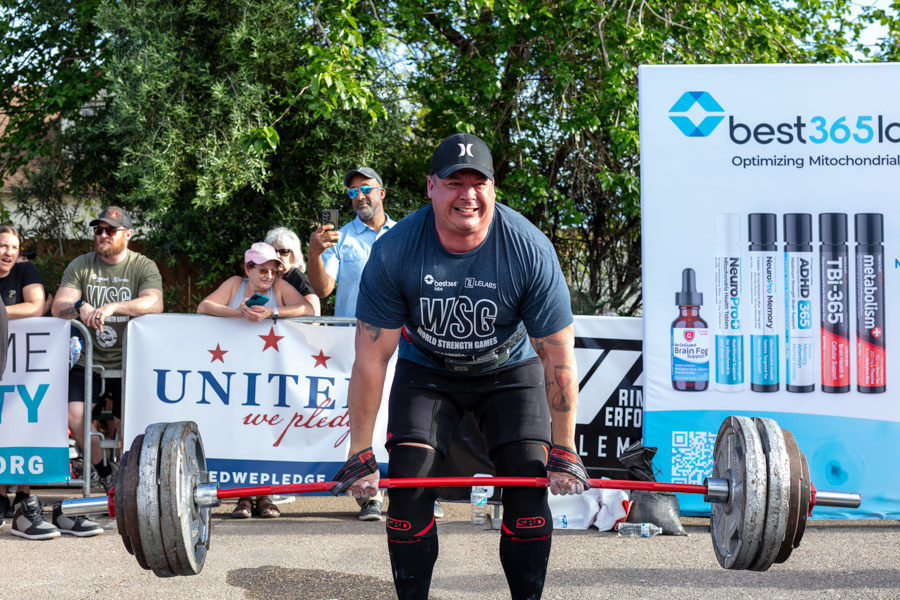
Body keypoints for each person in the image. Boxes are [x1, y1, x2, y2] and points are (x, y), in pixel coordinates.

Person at [329, 133, 588, 600]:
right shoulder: (395, 250)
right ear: (431, 187)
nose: (467, 195)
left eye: (478, 183)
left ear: (493, 188)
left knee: (528, 490)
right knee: (407, 490)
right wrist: (359, 451)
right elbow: (372, 357)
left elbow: (557, 355)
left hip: (508, 372)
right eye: (454, 183)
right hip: (427, 371)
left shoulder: (529, 248)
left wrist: (565, 448)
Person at [52, 206, 164, 509]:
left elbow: (154, 303)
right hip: (87, 359)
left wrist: (114, 307)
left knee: (129, 426)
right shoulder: (82, 264)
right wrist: (80, 306)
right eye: (98, 230)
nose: (102, 235)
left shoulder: (142, 265)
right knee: (75, 415)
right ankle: (105, 472)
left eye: (110, 230)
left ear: (128, 234)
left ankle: (128, 483)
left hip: (130, 362)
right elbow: (58, 306)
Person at [198, 241, 315, 518]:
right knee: (240, 428)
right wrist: (238, 313)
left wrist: (272, 312)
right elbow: (204, 307)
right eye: (262, 270)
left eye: (273, 270)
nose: (269, 276)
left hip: (270, 373)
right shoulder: (235, 284)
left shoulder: (279, 287)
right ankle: (244, 496)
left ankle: (264, 495)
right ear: (248, 268)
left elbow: (308, 309)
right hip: (237, 371)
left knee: (265, 430)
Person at [307, 167, 399, 521]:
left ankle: (415, 491)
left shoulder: (406, 233)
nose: (359, 196)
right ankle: (369, 494)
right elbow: (322, 290)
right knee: (366, 418)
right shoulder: (341, 238)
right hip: (358, 346)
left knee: (405, 416)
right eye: (351, 192)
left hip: (404, 341)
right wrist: (315, 253)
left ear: (382, 192)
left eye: (365, 189)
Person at [0, 226, 60, 539]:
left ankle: (23, 494)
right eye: (3, 245)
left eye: (14, 246)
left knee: (23, 419)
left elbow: (35, 306)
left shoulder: (26, 271)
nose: (9, 252)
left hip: (26, 366)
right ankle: (1, 496)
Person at [264, 227, 320, 316]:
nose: (277, 256)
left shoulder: (301, 280)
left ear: (294, 254)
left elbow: (314, 317)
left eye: (283, 252)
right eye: (273, 251)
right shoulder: (265, 276)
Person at [16, 247, 53, 314]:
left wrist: (37, 314)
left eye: (28, 258)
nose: (27, 261)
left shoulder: (28, 276)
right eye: (23, 258)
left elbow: (49, 298)